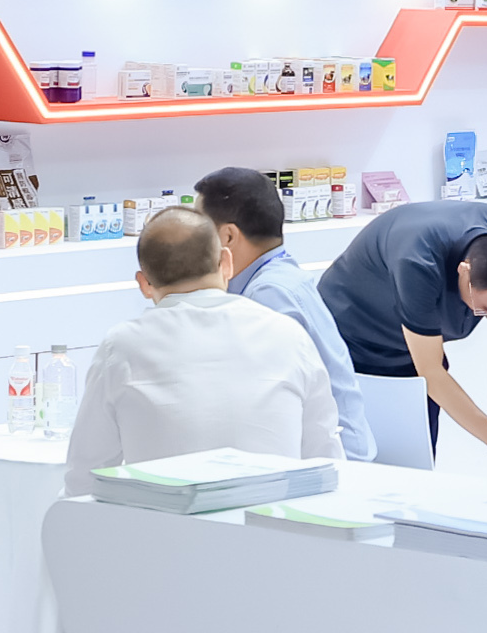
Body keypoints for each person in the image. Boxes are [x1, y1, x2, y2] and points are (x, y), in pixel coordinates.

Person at [61, 208, 339, 495]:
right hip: (271, 518)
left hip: (164, 521)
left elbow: (85, 477)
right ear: (226, 262)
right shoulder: (288, 335)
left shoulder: (121, 347)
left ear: (144, 284)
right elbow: (326, 459)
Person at [315, 196, 487, 452]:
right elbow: (431, 373)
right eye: (483, 308)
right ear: (464, 271)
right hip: (353, 337)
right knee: (370, 452)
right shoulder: (418, 261)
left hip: (410, 344)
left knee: (420, 448)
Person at [195, 167, 374, 464]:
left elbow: (268, 404)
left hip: (329, 464)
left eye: (199, 231)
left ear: (227, 236)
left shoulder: (267, 295)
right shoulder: (280, 276)